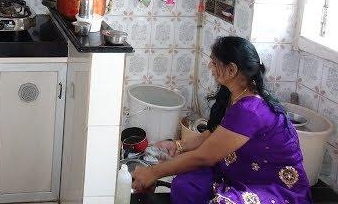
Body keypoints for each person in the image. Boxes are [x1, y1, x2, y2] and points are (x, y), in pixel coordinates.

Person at [131, 36, 312, 203]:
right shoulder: (235, 94)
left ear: (231, 69)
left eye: (214, 62)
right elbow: (214, 135)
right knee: (185, 186)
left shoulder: (250, 110)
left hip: (270, 184)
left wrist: (153, 172)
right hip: (237, 169)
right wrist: (177, 146)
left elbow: (205, 157)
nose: (210, 67)